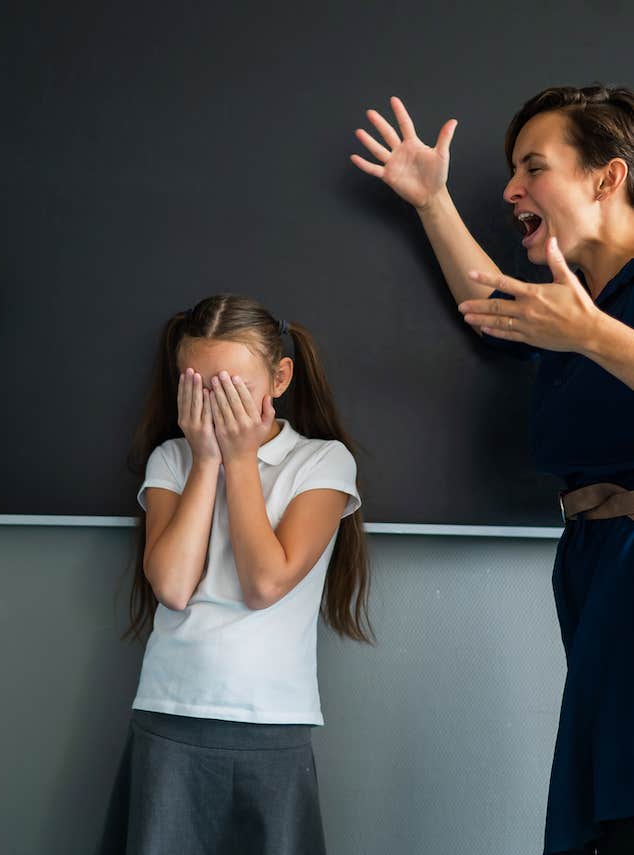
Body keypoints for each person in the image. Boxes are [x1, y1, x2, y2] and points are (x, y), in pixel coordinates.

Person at [351, 86, 634, 855]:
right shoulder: (577, 300)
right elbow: (491, 301)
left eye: (533, 168)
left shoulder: (593, 314)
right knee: (599, 809)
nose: (511, 189)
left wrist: (594, 335)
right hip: (593, 560)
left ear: (607, 179)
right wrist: (433, 200)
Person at [97, 294, 371, 854]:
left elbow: (264, 583)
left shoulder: (322, 462)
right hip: (171, 712)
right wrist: (206, 461)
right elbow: (171, 587)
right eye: (200, 387)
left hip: (271, 717)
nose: (218, 404)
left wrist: (241, 461)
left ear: (279, 379)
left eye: (234, 388)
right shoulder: (172, 459)